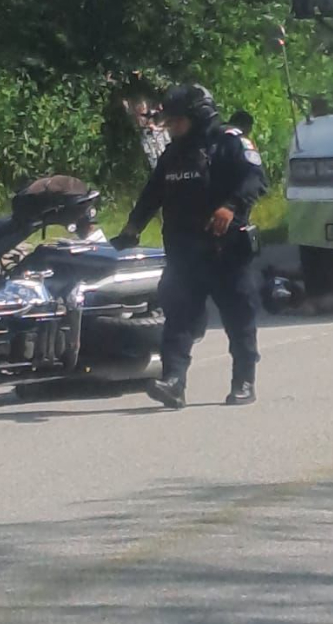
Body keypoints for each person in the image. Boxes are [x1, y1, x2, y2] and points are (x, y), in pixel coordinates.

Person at [111, 83, 267, 408]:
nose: (171, 127)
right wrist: (133, 226)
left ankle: (244, 381)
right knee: (178, 318)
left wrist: (231, 207)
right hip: (184, 252)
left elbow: (254, 179)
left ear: (199, 116)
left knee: (238, 317)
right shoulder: (173, 154)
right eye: (168, 121)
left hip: (226, 251)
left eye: (176, 120)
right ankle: (173, 382)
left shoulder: (230, 142)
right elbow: (152, 193)